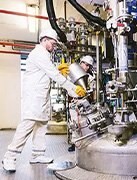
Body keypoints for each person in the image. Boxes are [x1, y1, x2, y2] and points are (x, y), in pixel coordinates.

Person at [2, 29, 86, 172]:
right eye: (53, 43)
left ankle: (37, 155)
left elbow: (48, 73)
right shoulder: (39, 53)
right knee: (26, 126)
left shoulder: (44, 55)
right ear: (45, 40)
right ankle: (10, 157)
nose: (54, 46)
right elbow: (53, 75)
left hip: (41, 96)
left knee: (41, 126)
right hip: (34, 97)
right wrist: (73, 89)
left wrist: (58, 70)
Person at [67, 55, 95, 152]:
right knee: (74, 125)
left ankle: (87, 143)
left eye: (88, 66)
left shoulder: (90, 78)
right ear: (80, 63)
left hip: (85, 103)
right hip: (74, 102)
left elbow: (92, 91)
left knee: (85, 124)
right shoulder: (70, 76)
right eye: (85, 64)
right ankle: (75, 144)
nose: (86, 67)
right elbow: (67, 87)